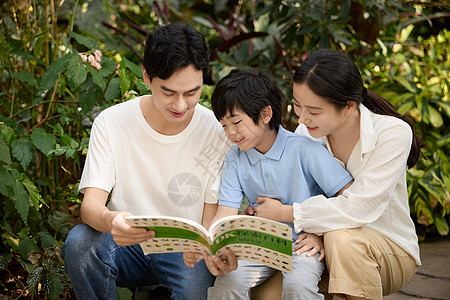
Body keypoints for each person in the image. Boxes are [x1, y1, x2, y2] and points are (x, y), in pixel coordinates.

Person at [61, 22, 231, 300]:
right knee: (80, 242)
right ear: (146, 76)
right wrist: (110, 219)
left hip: (187, 253)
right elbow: (90, 205)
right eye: (168, 92)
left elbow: (214, 217)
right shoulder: (112, 122)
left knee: (195, 286)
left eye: (192, 92)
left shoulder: (216, 129)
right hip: (125, 245)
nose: (180, 106)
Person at [251, 49, 422, 300]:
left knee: (341, 238)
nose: (302, 117)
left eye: (314, 111)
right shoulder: (305, 133)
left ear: (349, 106)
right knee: (262, 294)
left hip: (387, 250)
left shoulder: (393, 133)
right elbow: (293, 191)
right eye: (298, 106)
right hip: (320, 246)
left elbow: (360, 207)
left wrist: (292, 214)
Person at [185, 68, 353, 299]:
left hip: (303, 245)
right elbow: (224, 213)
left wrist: (322, 235)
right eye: (224, 125)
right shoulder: (235, 157)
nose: (231, 133)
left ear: (265, 114)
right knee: (227, 284)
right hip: (258, 243)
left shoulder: (305, 149)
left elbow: (348, 196)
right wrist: (205, 242)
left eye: (236, 122)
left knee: (298, 287)